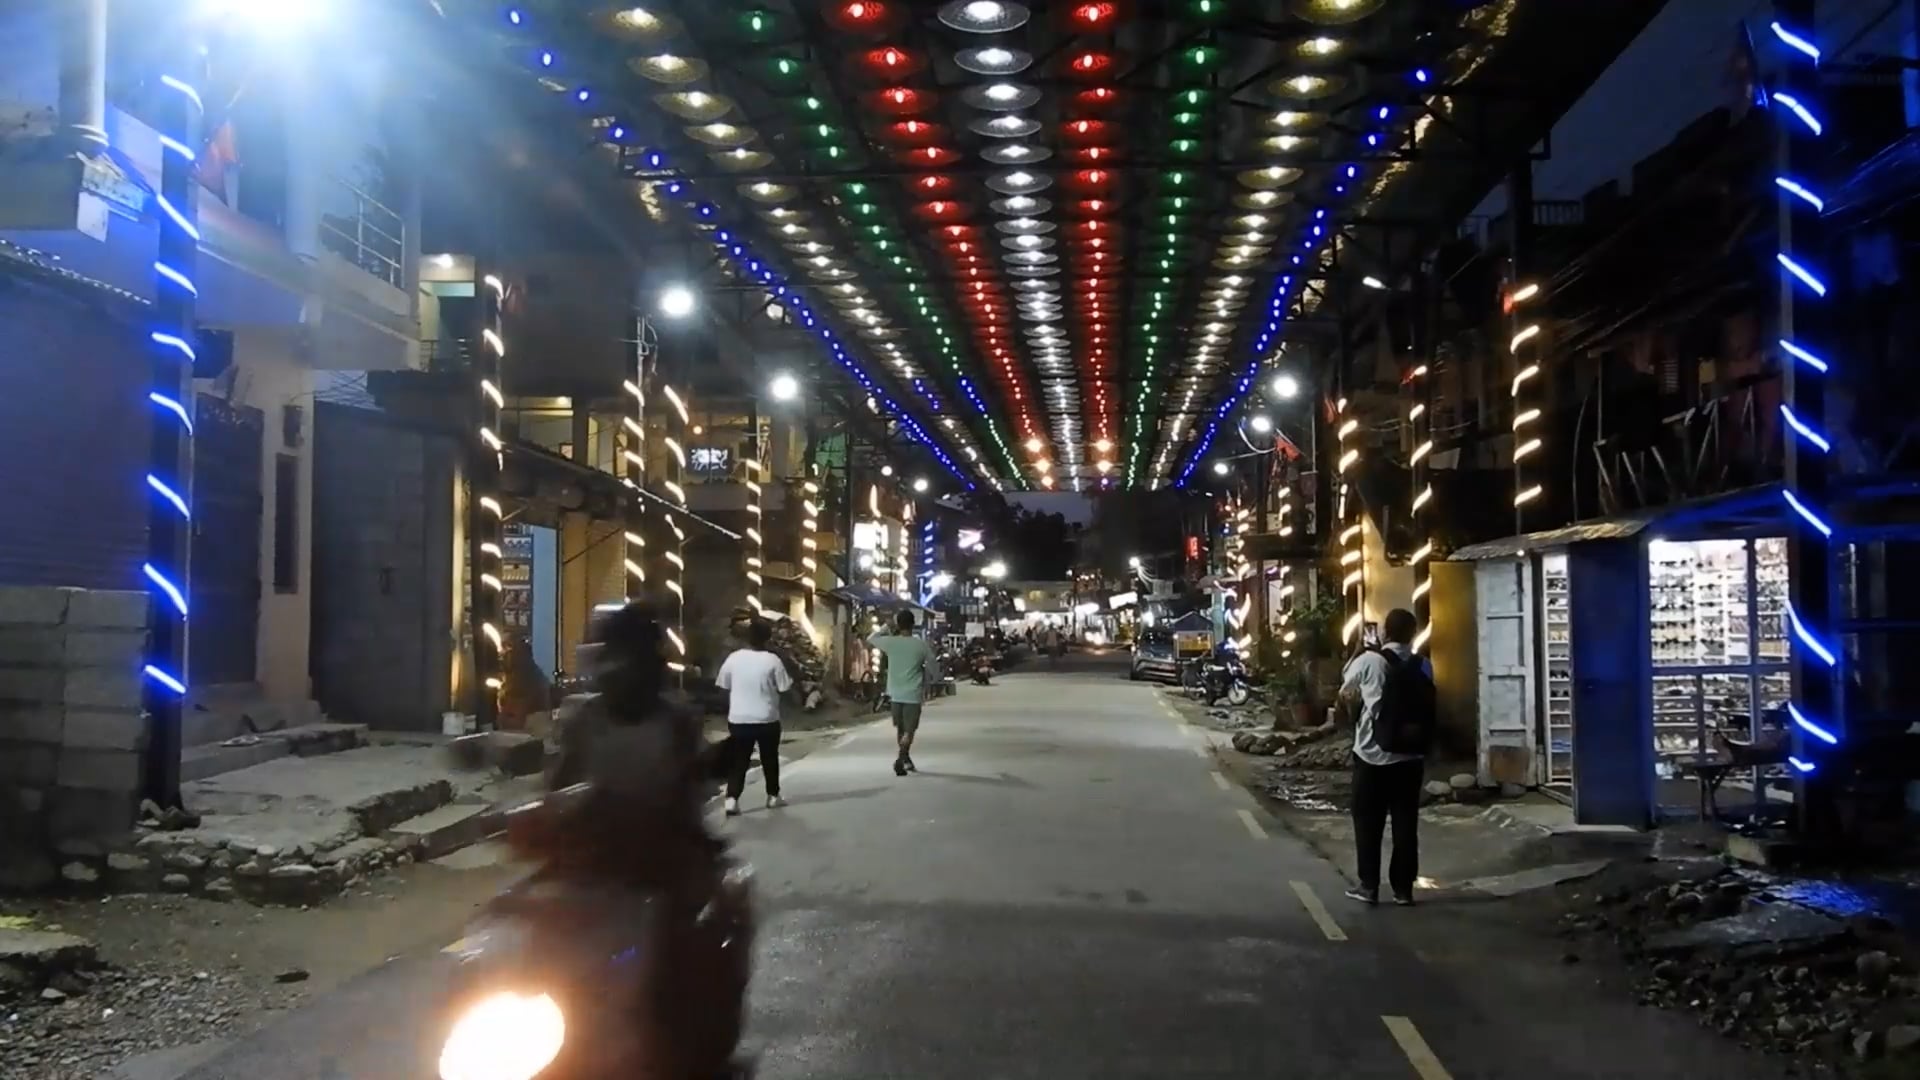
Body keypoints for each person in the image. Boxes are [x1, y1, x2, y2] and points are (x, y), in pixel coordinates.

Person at [1337, 607, 1434, 907]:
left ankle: (1369, 886)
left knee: (1368, 823)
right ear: (1413, 634)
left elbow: (1345, 689)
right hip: (1411, 756)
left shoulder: (1369, 660)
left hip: (1372, 755)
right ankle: (1403, 890)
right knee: (1405, 824)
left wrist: (1356, 654)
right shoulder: (1424, 665)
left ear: (1383, 632)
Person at [714, 618, 794, 816]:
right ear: (768, 638)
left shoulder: (733, 658)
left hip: (739, 718)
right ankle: (773, 796)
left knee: (739, 759)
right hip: (767, 718)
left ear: (746, 637)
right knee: (770, 758)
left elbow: (723, 686)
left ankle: (732, 799)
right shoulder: (772, 660)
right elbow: (784, 687)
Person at [868, 609, 935, 776]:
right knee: (909, 731)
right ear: (913, 624)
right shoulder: (920, 645)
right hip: (913, 694)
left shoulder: (891, 643)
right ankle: (901, 757)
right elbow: (933, 667)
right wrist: (929, 678)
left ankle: (905, 758)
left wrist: (886, 626)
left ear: (898, 625)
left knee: (901, 729)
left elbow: (871, 638)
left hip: (895, 694)